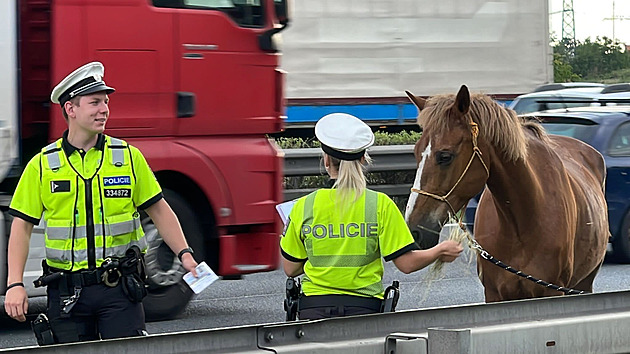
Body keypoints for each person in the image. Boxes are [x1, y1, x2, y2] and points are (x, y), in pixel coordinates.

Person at [3, 62, 198, 343]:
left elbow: (159, 210)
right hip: (67, 291)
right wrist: (15, 284)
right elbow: (21, 227)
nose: (104, 109)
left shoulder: (128, 157)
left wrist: (185, 254)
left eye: (105, 102)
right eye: (94, 102)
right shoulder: (43, 165)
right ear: (71, 109)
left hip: (119, 290)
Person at [280, 113, 463, 320]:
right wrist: (439, 250)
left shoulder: (304, 207)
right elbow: (407, 264)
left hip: (313, 310)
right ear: (362, 159)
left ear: (326, 159)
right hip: (365, 311)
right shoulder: (381, 205)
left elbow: (290, 268)